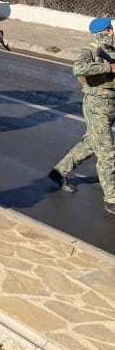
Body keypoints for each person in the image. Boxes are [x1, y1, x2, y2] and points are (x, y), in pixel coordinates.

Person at [47, 17, 115, 215]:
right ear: (100, 32)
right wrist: (108, 67)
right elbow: (79, 68)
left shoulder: (112, 50)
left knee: (92, 143)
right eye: (108, 30)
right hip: (97, 104)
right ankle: (111, 198)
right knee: (107, 153)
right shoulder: (90, 51)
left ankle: (59, 171)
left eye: (111, 28)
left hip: (111, 103)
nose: (112, 32)